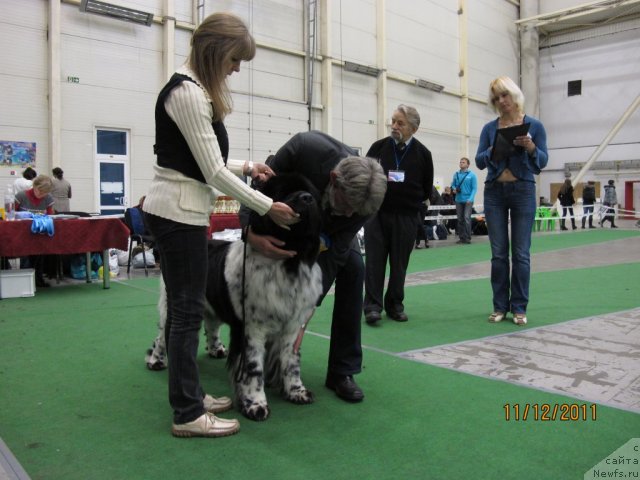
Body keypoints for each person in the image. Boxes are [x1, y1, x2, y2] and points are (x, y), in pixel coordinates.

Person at [142, 12, 298, 439]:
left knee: (186, 311)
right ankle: (188, 412)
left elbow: (198, 160)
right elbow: (211, 172)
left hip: (183, 210)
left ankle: (189, 395)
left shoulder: (189, 90)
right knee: (186, 314)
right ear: (215, 51)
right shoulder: (188, 94)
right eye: (234, 59)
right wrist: (267, 206)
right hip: (177, 213)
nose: (237, 68)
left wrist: (247, 166)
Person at [244, 131, 386, 403]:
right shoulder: (304, 148)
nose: (348, 215)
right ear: (334, 180)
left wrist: (305, 314)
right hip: (282, 218)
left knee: (354, 267)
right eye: (347, 207)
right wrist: (248, 233)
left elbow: (335, 251)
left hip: (328, 237)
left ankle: (342, 371)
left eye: (356, 213)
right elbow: (255, 193)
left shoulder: (367, 199)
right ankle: (255, 350)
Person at [475, 76, 548, 326]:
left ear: (514, 95)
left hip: (524, 191)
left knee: (521, 254)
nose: (501, 101)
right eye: (496, 97)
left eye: (504, 95)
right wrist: (495, 147)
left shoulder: (534, 126)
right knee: (498, 254)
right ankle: (499, 307)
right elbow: (479, 161)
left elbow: (543, 159)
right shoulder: (489, 128)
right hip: (494, 192)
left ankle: (519, 307)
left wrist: (530, 147)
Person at [363, 104, 434, 325]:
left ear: (413, 128)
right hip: (377, 215)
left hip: (406, 217)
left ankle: (395, 305)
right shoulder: (378, 148)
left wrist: (416, 214)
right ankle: (372, 307)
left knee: (399, 263)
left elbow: (426, 188)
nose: (394, 126)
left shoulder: (423, 154)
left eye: (400, 123)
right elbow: (364, 177)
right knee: (374, 262)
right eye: (393, 121)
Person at [14, 174, 55, 287]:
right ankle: (25, 282)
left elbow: (51, 216)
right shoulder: (21, 196)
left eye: (44, 193)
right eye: (39, 192)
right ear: (34, 186)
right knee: (25, 257)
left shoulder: (48, 199)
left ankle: (39, 279)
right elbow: (10, 214)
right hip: (22, 234)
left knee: (40, 256)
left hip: (39, 234)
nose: (41, 195)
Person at [451, 157, 477, 244]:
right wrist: (454, 189)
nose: (461, 163)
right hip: (458, 199)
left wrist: (470, 198)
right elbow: (453, 185)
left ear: (468, 165)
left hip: (468, 200)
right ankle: (461, 238)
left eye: (463, 162)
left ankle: (468, 238)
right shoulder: (456, 174)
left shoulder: (472, 175)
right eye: (460, 162)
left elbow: (474, 188)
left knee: (466, 218)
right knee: (460, 219)